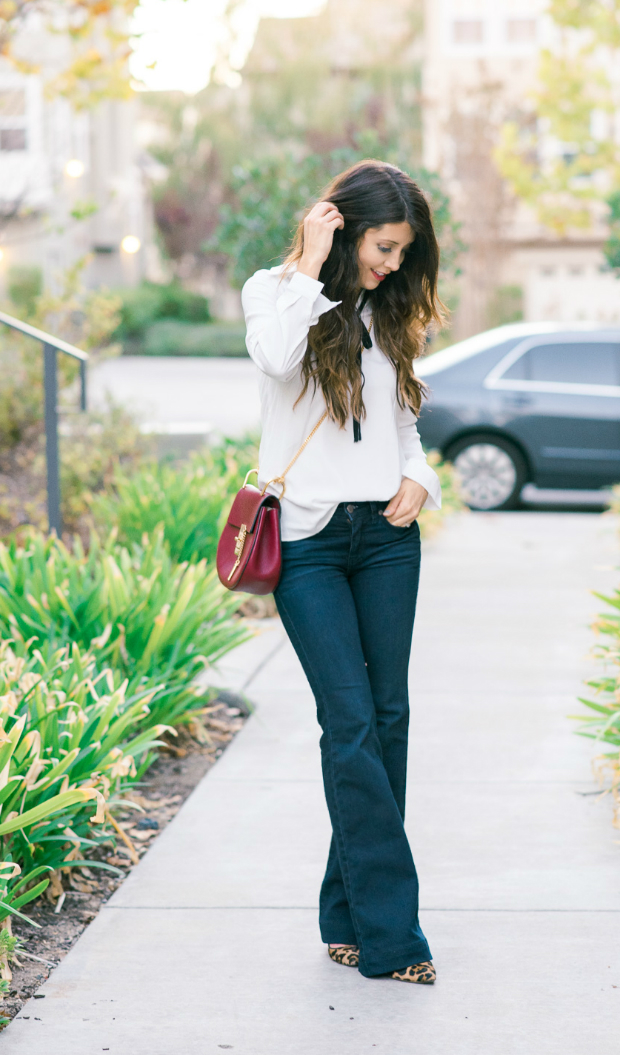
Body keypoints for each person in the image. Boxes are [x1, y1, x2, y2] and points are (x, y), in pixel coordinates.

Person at [241, 160, 445, 983]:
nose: (392, 264)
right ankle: (396, 937)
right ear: (346, 227)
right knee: (351, 723)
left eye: (403, 252)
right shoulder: (275, 291)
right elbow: (274, 358)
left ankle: (347, 912)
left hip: (387, 538)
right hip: (310, 546)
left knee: (387, 720)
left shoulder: (391, 311)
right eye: (384, 246)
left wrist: (418, 478)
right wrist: (308, 261)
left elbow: (404, 428)